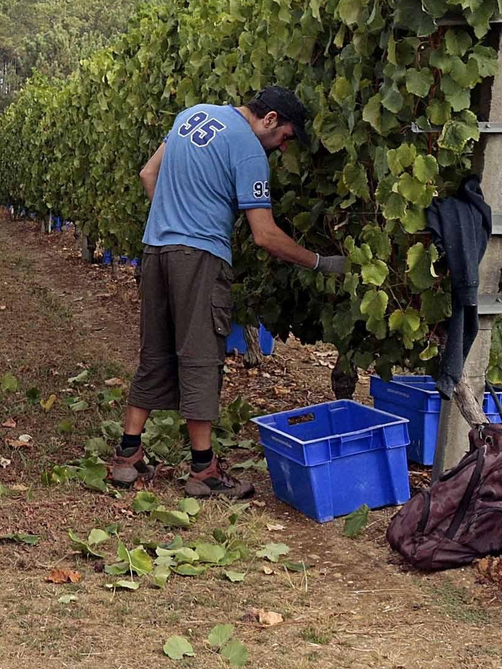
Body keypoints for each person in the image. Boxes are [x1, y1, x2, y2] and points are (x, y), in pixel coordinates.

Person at [110, 86, 345, 498]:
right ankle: (204, 471)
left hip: (156, 251)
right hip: (199, 259)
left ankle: (127, 455)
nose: (281, 147)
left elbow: (149, 174)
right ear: (269, 119)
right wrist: (320, 262)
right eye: (286, 137)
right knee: (201, 356)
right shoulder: (249, 149)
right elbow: (265, 235)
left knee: (155, 351)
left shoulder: (192, 115)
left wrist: (172, 220)